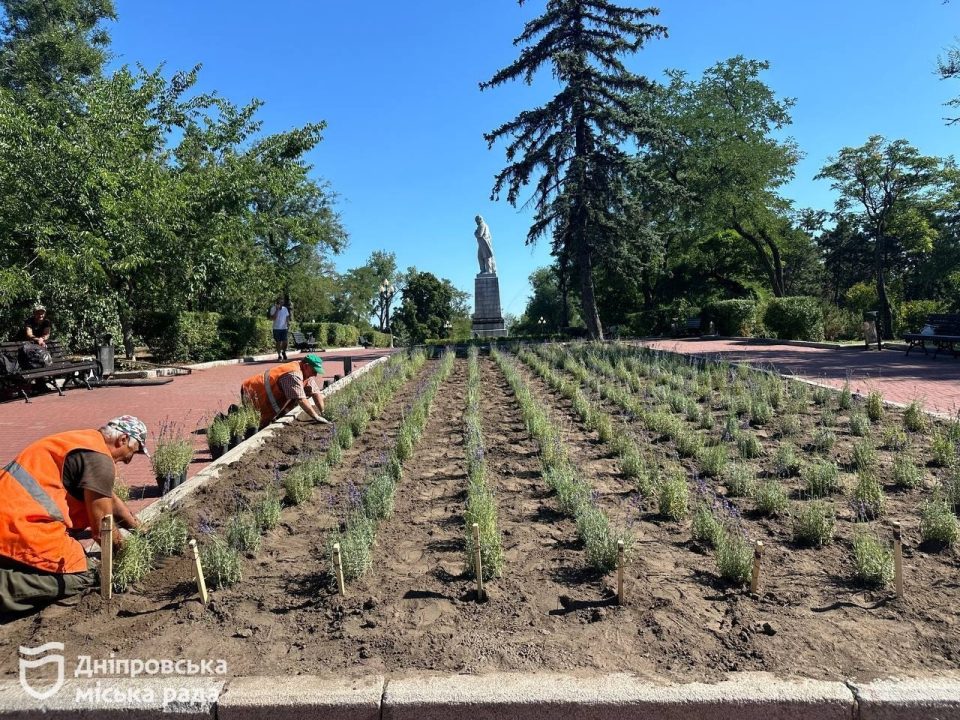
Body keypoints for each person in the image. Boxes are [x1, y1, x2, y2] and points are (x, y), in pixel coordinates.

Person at [0, 415, 148, 614]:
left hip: (9, 514)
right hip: (20, 525)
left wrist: (140, 529)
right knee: (84, 574)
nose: (129, 461)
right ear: (122, 440)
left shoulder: (85, 440)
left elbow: (110, 499)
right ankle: (5, 587)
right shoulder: (101, 462)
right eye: (133, 451)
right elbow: (103, 532)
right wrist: (128, 555)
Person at [241, 353, 330, 428]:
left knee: (265, 416)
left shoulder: (305, 373)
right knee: (255, 420)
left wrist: (323, 412)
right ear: (306, 366)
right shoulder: (294, 374)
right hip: (252, 390)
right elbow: (301, 399)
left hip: (265, 396)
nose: (315, 374)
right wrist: (315, 417)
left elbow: (315, 392)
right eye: (314, 371)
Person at [268, 297, 292, 361]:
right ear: (277, 302)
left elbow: (287, 317)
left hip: (284, 328)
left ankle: (283, 352)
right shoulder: (273, 308)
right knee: (278, 342)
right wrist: (277, 310)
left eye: (282, 302)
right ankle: (279, 355)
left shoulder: (285, 309)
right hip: (276, 328)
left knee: (285, 342)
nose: (281, 303)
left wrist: (288, 323)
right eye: (279, 302)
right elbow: (273, 318)